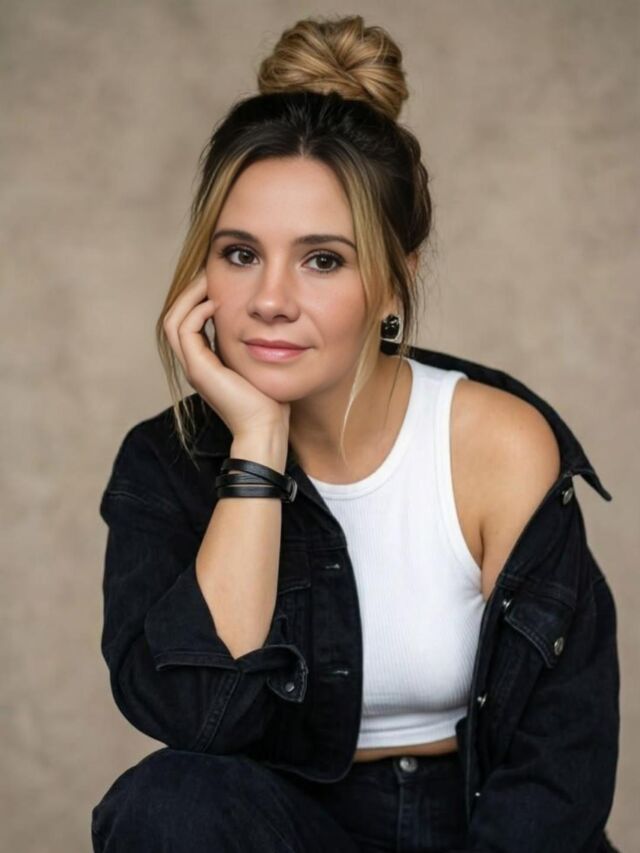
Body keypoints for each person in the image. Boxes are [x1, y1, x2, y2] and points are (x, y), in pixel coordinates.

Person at [91, 14, 621, 853]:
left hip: (486, 824)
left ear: (394, 281)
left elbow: (562, 756)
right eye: (240, 254)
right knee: (167, 801)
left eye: (323, 259)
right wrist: (256, 445)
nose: (271, 300)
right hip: (294, 828)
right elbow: (199, 720)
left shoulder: (497, 443)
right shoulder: (164, 465)